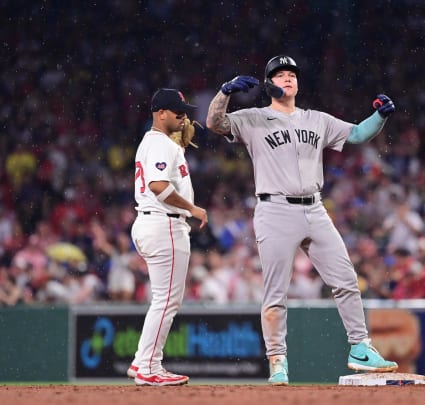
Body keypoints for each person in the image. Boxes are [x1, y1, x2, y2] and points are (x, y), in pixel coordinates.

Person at [206, 55, 399, 385]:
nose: (288, 78)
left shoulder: (316, 119)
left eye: (292, 74)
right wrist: (224, 93)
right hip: (274, 209)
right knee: (275, 293)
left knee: (346, 279)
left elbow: (355, 134)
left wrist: (379, 116)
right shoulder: (253, 118)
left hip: (314, 208)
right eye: (280, 75)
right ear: (269, 85)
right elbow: (214, 123)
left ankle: (360, 347)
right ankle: (277, 361)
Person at [126, 88, 208, 386]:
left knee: (163, 300)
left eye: (184, 110)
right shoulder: (160, 143)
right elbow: (159, 185)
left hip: (152, 223)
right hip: (165, 225)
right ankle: (149, 366)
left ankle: (141, 361)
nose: (183, 116)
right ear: (160, 113)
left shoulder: (159, 143)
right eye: (177, 111)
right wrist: (193, 209)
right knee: (167, 301)